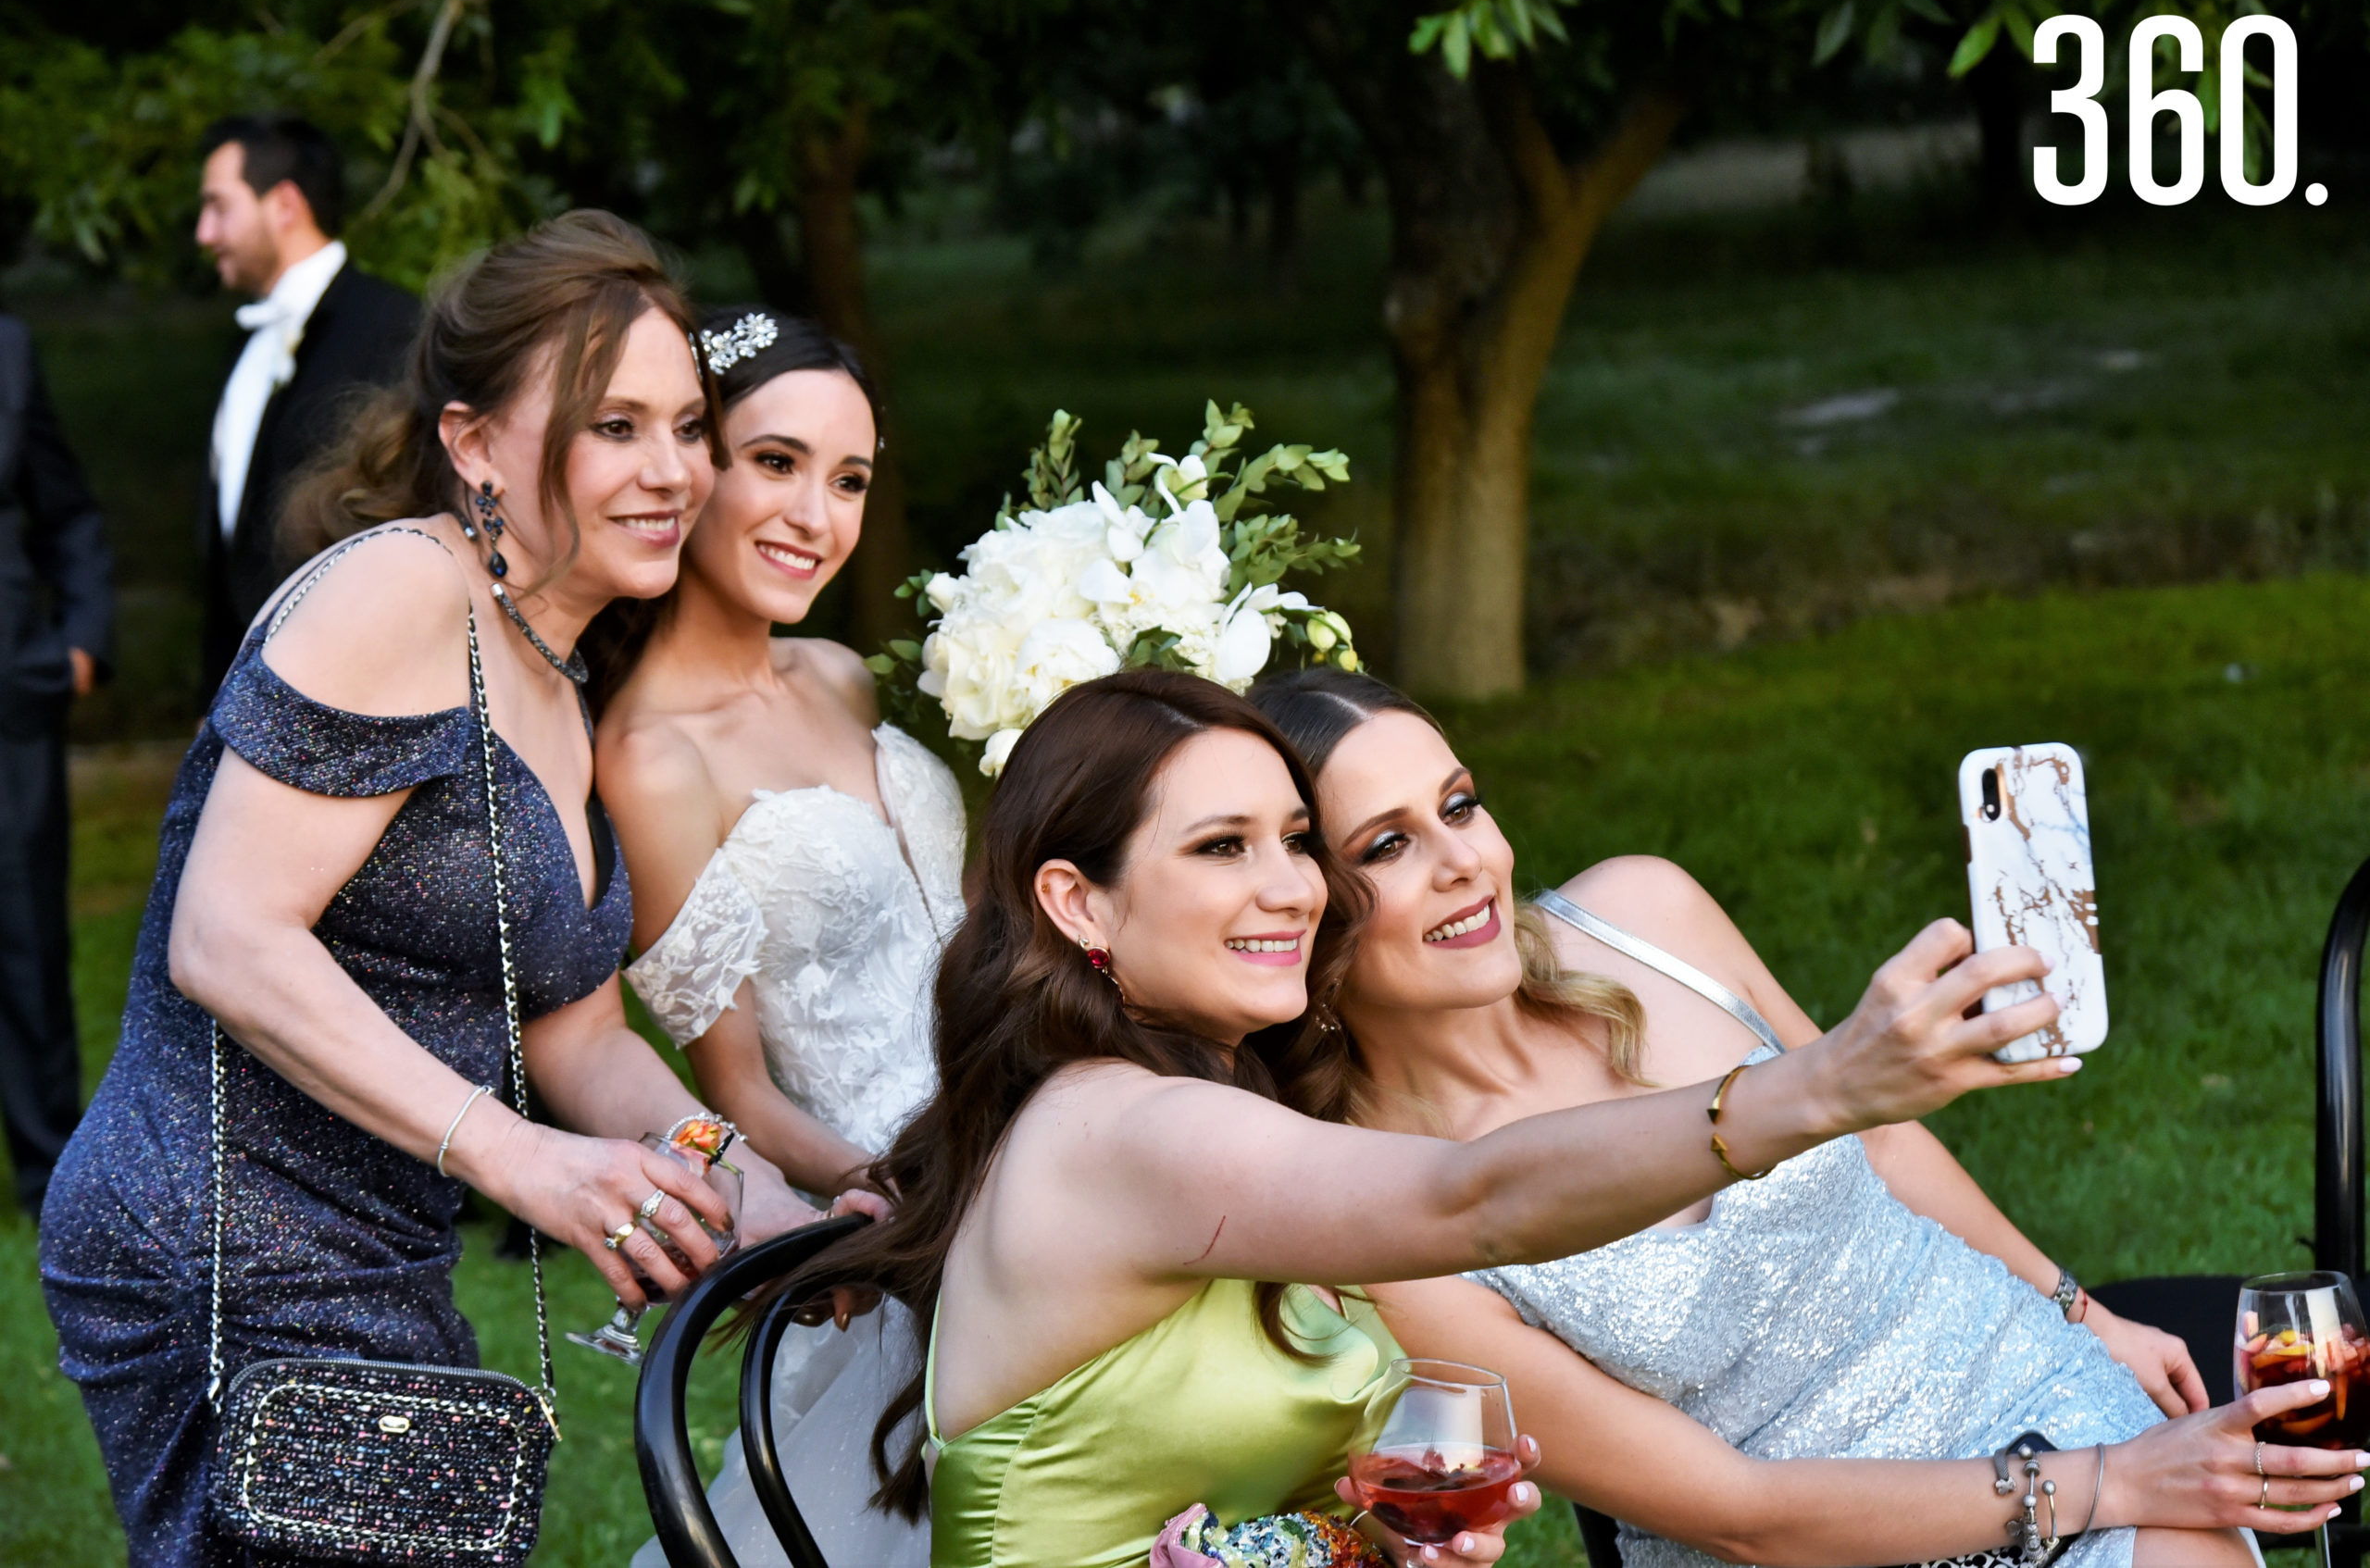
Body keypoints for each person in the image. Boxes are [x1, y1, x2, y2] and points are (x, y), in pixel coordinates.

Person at [787, 668, 2110, 1568]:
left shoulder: (1198, 1115)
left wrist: (1373, 1537)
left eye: (1296, 841)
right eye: (1220, 847)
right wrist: (1814, 1089)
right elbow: (1464, 1199)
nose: (1288, 888)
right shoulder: (1125, 1131)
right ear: (1079, 905)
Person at [40, 210, 816, 1568]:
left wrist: (769, 1210)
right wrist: (528, 1165)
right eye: (613, 425)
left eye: (689, 426)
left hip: (380, 1250)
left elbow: (574, 1034)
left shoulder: (560, 677)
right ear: (472, 445)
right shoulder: (399, 592)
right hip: (218, 1243)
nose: (673, 469)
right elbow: (226, 938)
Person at [1250, 666, 2362, 1568]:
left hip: (2017, 1378)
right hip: (1812, 1533)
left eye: (1460, 803)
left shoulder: (1643, 910)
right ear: (1304, 908)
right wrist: (2112, 1481)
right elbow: (1740, 1512)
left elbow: (1875, 1133)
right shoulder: (1382, 1218)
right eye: (1386, 846)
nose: (1465, 863)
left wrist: (2080, 1310)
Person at [593, 306, 954, 1568]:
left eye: (849, 480)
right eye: (778, 462)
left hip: (1042, 1134)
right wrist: (903, 1187)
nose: (818, 514)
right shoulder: (651, 758)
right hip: (899, 1221)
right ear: (696, 466)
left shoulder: (842, 674)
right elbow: (732, 1088)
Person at [194, 113, 418, 700]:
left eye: (219, 207)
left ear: (285, 204)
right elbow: (230, 539)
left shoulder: (395, 329)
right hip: (246, 690)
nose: (203, 232)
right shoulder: (245, 342)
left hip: (352, 689)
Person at [0, 309, 114, 1220]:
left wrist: (79, 640)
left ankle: (49, 1177)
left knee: (27, 936)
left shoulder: (10, 346)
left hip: (12, 694)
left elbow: (66, 509)